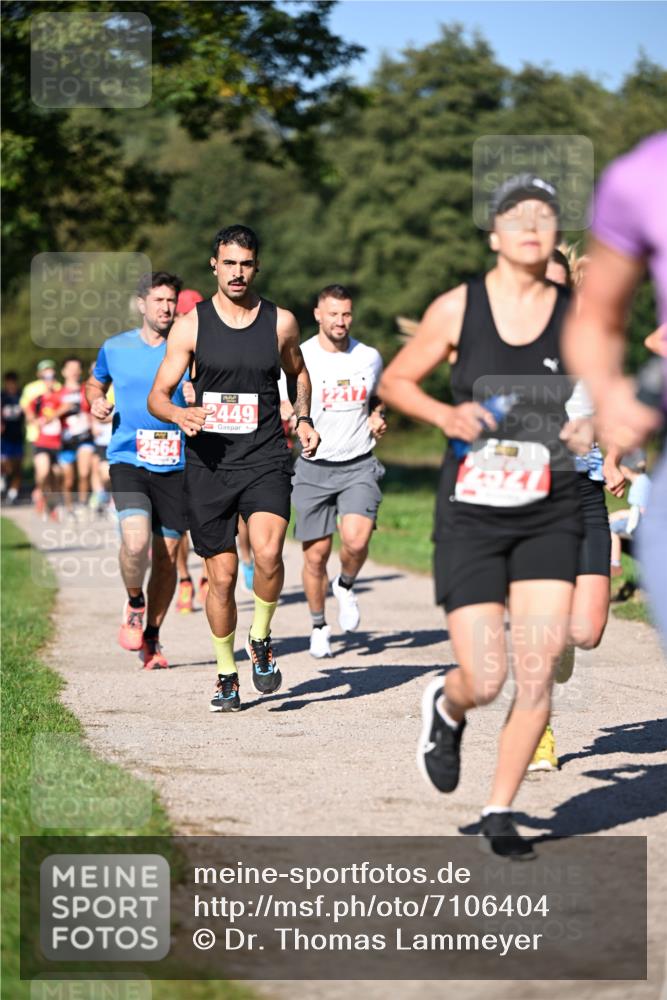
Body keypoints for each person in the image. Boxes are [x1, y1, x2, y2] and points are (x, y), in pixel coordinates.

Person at [380, 174, 583, 859]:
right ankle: (446, 701)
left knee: (535, 667)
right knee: (486, 677)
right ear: (494, 234)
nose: (531, 224)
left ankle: (500, 809)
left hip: (550, 508)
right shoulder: (456, 307)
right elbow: (395, 381)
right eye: (515, 214)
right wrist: (444, 413)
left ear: (555, 236)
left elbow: (606, 388)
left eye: (544, 215)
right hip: (471, 511)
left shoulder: (578, 314)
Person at [147, 224, 320, 713]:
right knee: (220, 578)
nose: (238, 272)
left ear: (256, 266)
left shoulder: (281, 322)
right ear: (214, 265)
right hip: (210, 464)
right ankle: (226, 674)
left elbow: (299, 372)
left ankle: (260, 637)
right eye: (229, 263)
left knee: (267, 554)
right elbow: (158, 396)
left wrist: (303, 416)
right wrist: (180, 413)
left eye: (246, 263)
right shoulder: (191, 325)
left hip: (265, 455)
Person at [562, 131, 667, 644]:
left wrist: (614, 453)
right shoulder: (642, 173)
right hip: (543, 473)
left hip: (593, 466)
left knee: (588, 631)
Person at [86, 271, 187, 669]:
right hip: (128, 458)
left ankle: (153, 638)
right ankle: (134, 601)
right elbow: (96, 384)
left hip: (179, 462)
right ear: (141, 303)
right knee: (134, 541)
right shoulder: (115, 347)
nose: (166, 308)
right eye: (159, 300)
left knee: (169, 554)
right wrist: (96, 401)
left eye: (171, 301)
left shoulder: (188, 347)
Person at [292, 284, 387, 658]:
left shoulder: (369, 356)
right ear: (317, 314)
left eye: (346, 314)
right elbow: (284, 397)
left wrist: (378, 416)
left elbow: (378, 397)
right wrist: (292, 417)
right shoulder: (300, 356)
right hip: (314, 467)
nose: (340, 321)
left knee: (357, 541)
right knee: (315, 556)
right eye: (333, 314)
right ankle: (318, 625)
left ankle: (345, 584)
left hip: (359, 463)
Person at [173, 288, 205, 614]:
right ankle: (185, 578)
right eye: (187, 314)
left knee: (214, 519)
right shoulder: (172, 351)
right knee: (180, 522)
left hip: (212, 447)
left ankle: (209, 577)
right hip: (175, 448)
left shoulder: (215, 347)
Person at [52, 356, 95, 517]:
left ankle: (83, 504)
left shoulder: (87, 390)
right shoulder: (57, 394)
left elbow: (94, 409)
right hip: (65, 440)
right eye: (70, 368)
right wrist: (61, 410)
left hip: (85, 437)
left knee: (84, 474)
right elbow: (47, 418)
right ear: (63, 372)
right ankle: (69, 507)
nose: (74, 372)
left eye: (77, 368)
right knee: (68, 480)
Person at [20, 360, 62, 514]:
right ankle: (40, 493)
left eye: (51, 371)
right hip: (37, 435)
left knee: (55, 473)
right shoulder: (32, 388)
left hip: (56, 438)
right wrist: (34, 420)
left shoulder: (58, 387)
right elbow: (26, 407)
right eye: (45, 371)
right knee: (42, 470)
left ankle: (49, 500)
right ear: (40, 373)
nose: (48, 374)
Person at [609, 450, 651, 576]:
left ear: (625, 469)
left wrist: (620, 514)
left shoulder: (639, 484)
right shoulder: (644, 480)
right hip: (643, 522)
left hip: (642, 524)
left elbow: (642, 511)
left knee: (612, 528)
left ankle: (615, 563)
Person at [1, 371, 25, 504]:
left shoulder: (21, 396)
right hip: (4, 438)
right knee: (5, 464)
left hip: (17, 436)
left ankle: (13, 493)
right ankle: (3, 478)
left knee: (17, 467)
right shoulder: (2, 396)